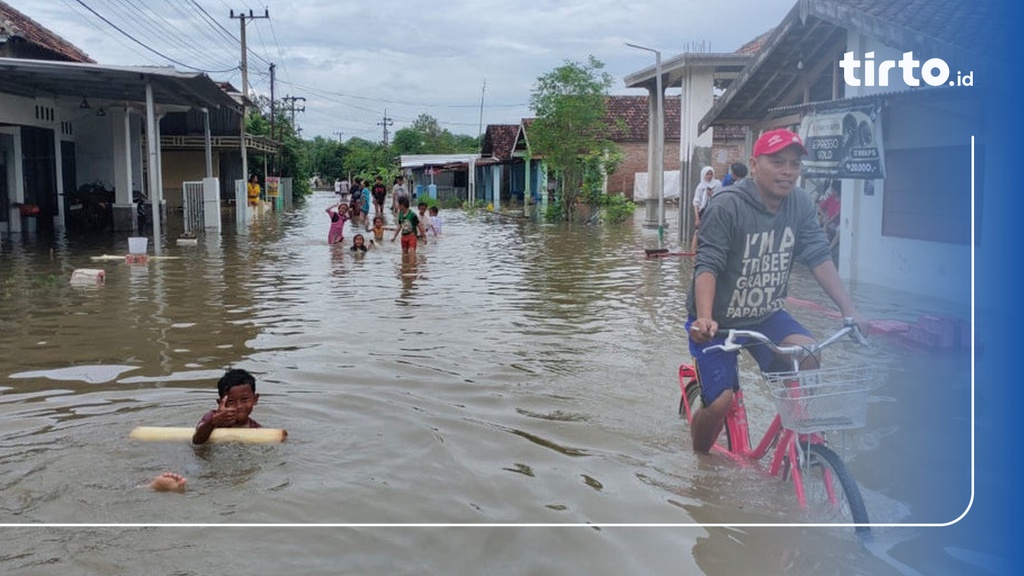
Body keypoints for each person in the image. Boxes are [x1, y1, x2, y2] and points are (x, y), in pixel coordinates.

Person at [686, 128, 865, 454]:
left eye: (795, 164)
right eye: (778, 162)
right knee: (721, 400)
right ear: (754, 166)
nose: (788, 171)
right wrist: (705, 318)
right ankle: (699, 461)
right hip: (718, 321)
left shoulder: (800, 204)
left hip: (766, 315)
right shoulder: (727, 206)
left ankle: (799, 444)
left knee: (809, 352)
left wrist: (848, 309)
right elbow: (707, 264)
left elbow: (818, 256)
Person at [192, 368, 262, 445]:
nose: (239, 406)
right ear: (220, 403)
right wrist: (213, 422)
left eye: (244, 399)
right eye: (231, 401)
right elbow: (196, 441)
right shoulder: (212, 417)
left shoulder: (256, 428)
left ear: (255, 399)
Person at [690, 166, 721, 252]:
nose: (709, 176)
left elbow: (721, 199)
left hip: (714, 211)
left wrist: (712, 194)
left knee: (714, 231)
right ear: (703, 175)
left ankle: (712, 250)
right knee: (697, 232)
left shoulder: (718, 184)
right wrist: (697, 218)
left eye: (711, 174)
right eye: (707, 174)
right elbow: (696, 203)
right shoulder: (700, 187)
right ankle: (693, 251)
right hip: (703, 211)